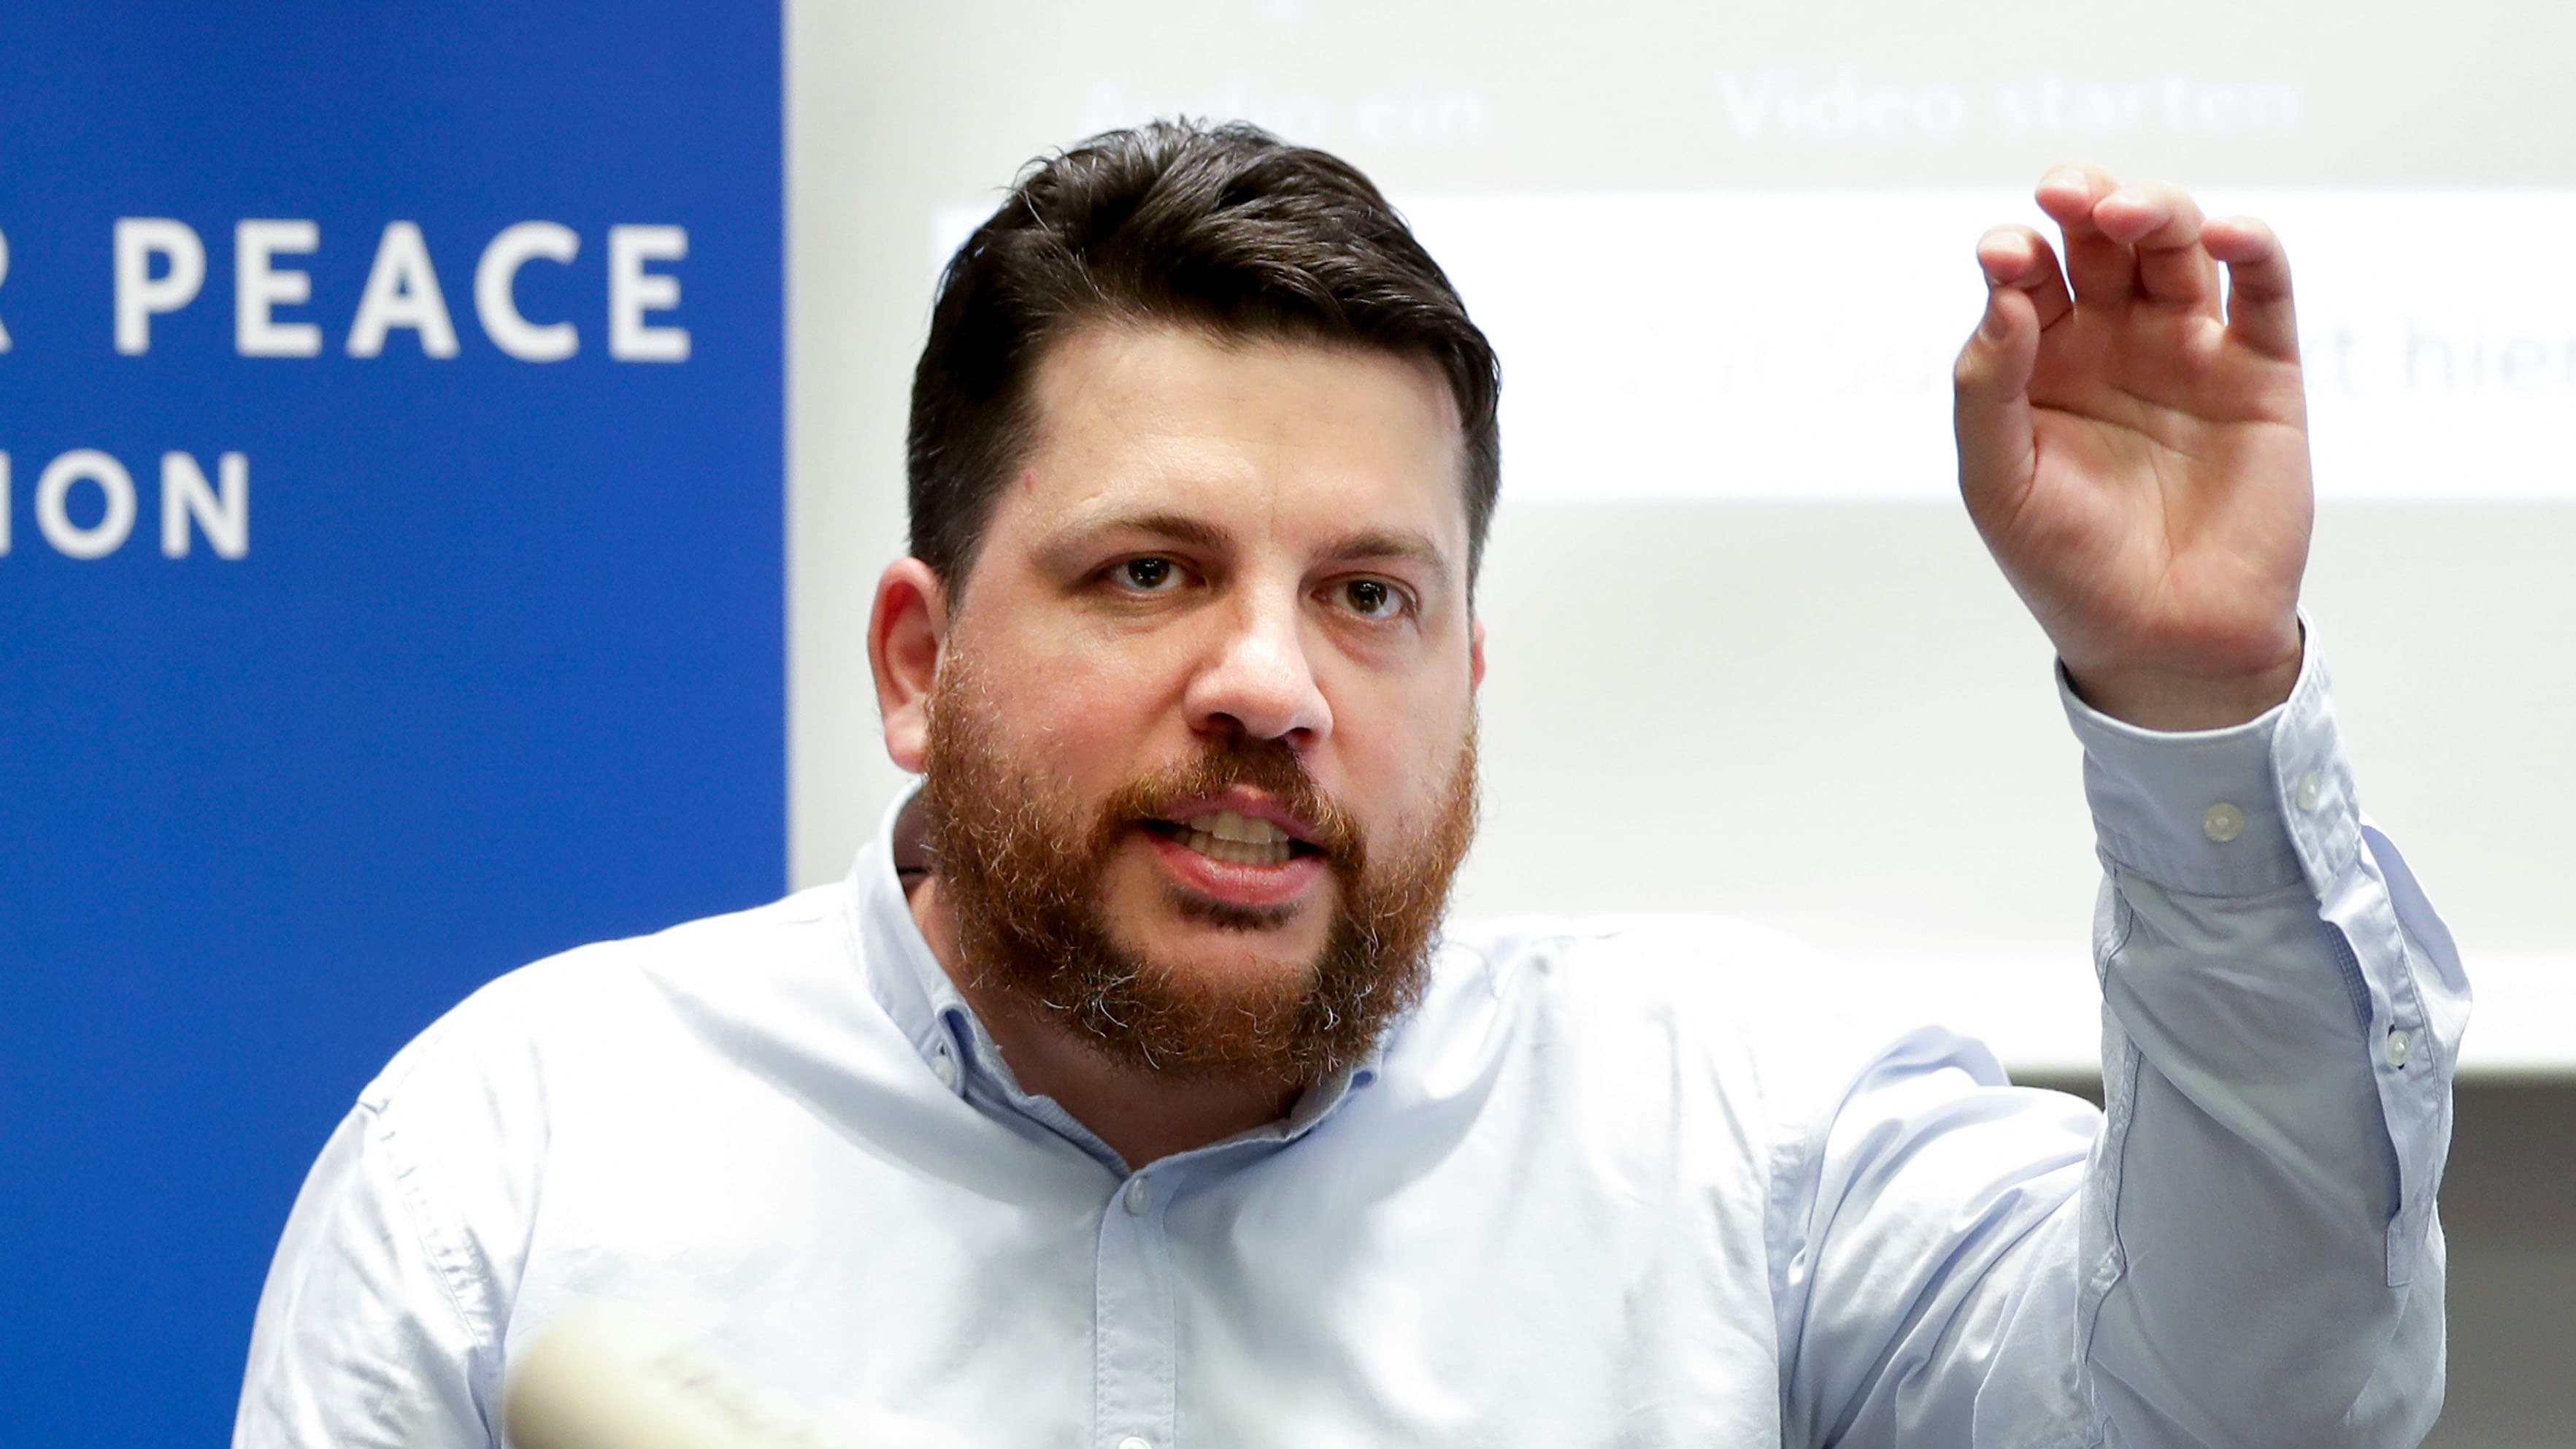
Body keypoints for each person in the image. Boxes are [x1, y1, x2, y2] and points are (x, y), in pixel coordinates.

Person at [235, 120, 2464, 1448]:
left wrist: (2189, 694)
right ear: (918, 665)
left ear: (1466, 679)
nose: (1273, 685)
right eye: (1148, 571)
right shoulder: (517, 1162)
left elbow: (2250, 1411)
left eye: (1371, 597)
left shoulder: (1744, 1142)